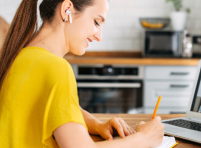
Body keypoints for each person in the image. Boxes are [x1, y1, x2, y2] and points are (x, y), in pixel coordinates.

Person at [0, 0, 164, 148]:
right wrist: (144, 139)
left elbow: (60, 107)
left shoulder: (20, 56)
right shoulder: (56, 67)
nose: (99, 36)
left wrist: (97, 125)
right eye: (96, 22)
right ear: (67, 10)